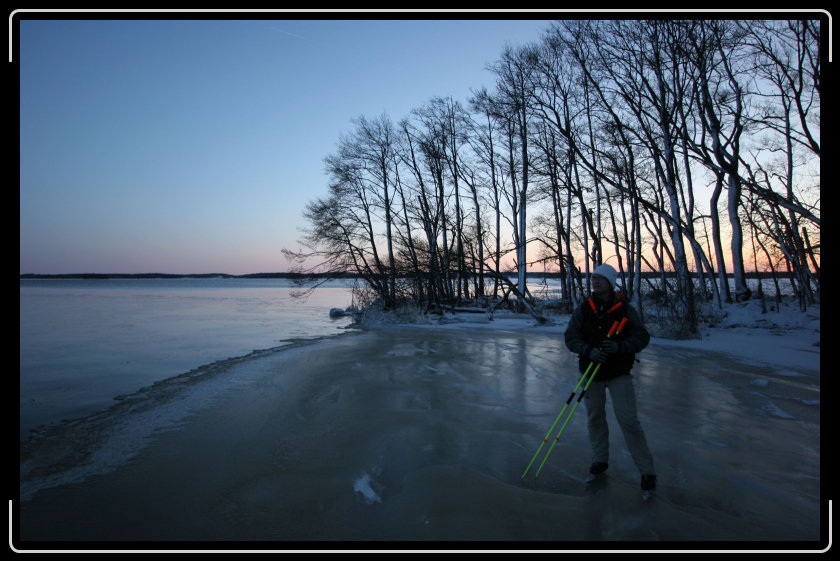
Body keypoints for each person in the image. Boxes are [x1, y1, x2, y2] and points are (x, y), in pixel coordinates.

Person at [564, 263, 656, 494]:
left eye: (600, 278)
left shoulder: (624, 309)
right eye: (593, 278)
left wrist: (619, 347)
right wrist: (587, 350)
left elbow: (642, 337)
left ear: (610, 283)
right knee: (595, 418)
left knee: (628, 420)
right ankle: (599, 460)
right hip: (591, 372)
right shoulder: (585, 308)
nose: (595, 281)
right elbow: (570, 337)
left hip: (618, 373)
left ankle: (646, 470)